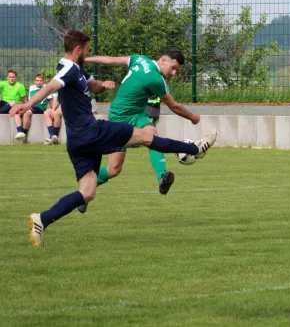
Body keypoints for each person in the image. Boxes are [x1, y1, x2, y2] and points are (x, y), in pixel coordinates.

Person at [10, 29, 216, 247]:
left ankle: (41, 219)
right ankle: (193, 148)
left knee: (87, 192)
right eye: (87, 49)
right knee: (148, 137)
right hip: (91, 131)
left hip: (77, 141)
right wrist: (28, 104)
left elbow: (93, 85)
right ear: (78, 49)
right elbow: (52, 85)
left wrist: (103, 84)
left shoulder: (78, 70)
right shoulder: (69, 68)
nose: (88, 53)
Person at [75, 50, 210, 214]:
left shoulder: (140, 59)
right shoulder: (156, 79)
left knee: (152, 136)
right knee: (114, 169)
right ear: (163, 60)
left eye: (176, 70)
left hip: (138, 114)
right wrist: (192, 117)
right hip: (118, 117)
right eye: (173, 68)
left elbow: (111, 59)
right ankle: (84, 191)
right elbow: (173, 106)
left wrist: (86, 59)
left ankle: (162, 177)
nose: (173, 73)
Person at [18, 74, 58, 142]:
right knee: (23, 112)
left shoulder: (46, 88)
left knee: (27, 112)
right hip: (32, 107)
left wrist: (53, 109)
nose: (39, 82)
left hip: (41, 108)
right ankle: (21, 133)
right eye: (37, 81)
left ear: (43, 81)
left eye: (40, 81)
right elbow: (30, 100)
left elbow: (51, 101)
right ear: (35, 81)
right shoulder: (32, 87)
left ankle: (23, 133)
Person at [0, 70, 27, 139]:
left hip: (13, 106)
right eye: (10, 77)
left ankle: (20, 132)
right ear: (7, 78)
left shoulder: (20, 86)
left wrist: (26, 107)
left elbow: (24, 99)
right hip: (3, 104)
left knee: (14, 105)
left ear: (16, 78)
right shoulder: (3, 83)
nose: (11, 79)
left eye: (13, 77)